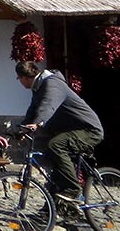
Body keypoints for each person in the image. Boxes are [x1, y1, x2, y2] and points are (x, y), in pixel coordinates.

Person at [16, 61, 103, 204]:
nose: (19, 82)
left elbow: (48, 105)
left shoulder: (52, 84)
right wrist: (21, 129)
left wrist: (37, 123)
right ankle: (52, 210)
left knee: (56, 146)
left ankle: (73, 190)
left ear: (24, 77)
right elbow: (33, 110)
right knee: (55, 166)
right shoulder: (38, 88)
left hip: (89, 130)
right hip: (72, 130)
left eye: (18, 78)